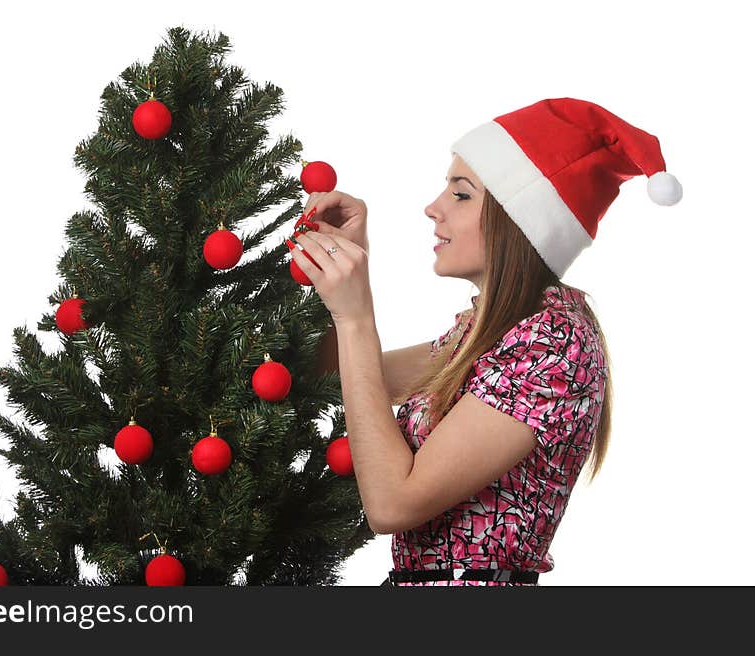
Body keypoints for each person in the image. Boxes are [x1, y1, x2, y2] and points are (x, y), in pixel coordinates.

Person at [291, 97, 682, 586]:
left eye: (461, 194)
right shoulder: (486, 331)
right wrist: (348, 261)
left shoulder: (552, 343)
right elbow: (339, 380)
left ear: (517, 219)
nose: (433, 208)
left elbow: (392, 504)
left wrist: (356, 317)